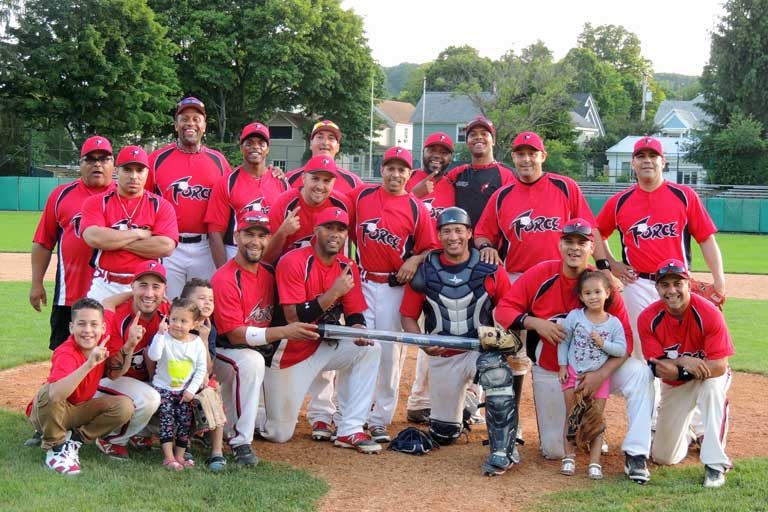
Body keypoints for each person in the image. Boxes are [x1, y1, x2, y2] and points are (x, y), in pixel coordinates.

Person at [494, 218, 655, 484]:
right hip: (553, 369)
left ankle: (636, 453)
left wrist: (601, 374)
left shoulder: (603, 285)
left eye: (582, 242)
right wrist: (534, 323)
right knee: (555, 450)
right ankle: (585, 434)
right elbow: (503, 310)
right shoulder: (541, 274)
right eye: (569, 241)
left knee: (639, 372)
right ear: (559, 244)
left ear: (592, 248)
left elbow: (626, 340)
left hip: (599, 369)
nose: (575, 248)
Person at [474, 130, 602, 444]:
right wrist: (487, 246)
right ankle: (511, 424)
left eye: (532, 153)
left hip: (564, 280)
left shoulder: (564, 186)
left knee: (579, 352)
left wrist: (602, 269)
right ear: (513, 158)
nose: (526, 159)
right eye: (520, 153)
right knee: (510, 351)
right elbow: (481, 233)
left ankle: (587, 424)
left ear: (543, 156)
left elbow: (590, 231)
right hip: (518, 279)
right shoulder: (502, 195)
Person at [400, 207, 519, 476]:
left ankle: (503, 449)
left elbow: (510, 308)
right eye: (446, 231)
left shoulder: (490, 267)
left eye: (458, 230)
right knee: (445, 434)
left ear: (468, 233)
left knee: (497, 373)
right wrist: (423, 343)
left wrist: (504, 340)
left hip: (479, 351)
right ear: (439, 235)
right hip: (444, 355)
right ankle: (464, 407)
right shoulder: (425, 269)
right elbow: (407, 317)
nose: (452, 236)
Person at [262, 207, 382, 453]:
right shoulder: (293, 261)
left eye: (340, 229)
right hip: (290, 354)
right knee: (278, 433)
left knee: (370, 349)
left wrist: (358, 329)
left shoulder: (347, 265)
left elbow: (354, 313)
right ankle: (252, 409)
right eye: (328, 228)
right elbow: (293, 318)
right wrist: (334, 293)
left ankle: (350, 429)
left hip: (322, 346)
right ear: (316, 231)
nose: (335, 234)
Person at [595, 136, 725, 359]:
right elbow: (596, 233)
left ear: (663, 162)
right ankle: (647, 394)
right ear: (633, 163)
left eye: (653, 156)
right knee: (642, 351)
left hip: (678, 284)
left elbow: (706, 239)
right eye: (641, 156)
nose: (647, 161)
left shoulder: (684, 196)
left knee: (685, 346)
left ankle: (679, 392)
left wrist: (719, 280)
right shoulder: (620, 201)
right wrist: (610, 264)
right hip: (638, 284)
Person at [211, 211, 318, 466]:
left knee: (280, 428)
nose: (255, 241)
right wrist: (284, 332)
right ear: (236, 236)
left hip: (253, 352)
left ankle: (229, 422)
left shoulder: (270, 274)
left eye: (261, 236)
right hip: (220, 356)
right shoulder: (225, 278)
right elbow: (234, 334)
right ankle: (241, 442)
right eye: (249, 234)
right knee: (250, 361)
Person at [349, 146, 438, 443]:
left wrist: (414, 259)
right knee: (358, 347)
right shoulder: (361, 197)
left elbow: (430, 247)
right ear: (382, 169)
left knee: (388, 355)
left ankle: (379, 418)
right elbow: (348, 232)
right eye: (391, 168)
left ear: (409, 175)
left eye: (402, 170)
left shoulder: (416, 208)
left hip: (393, 288)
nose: (395, 174)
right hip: (361, 282)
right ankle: (352, 415)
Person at [638, 259, 734, 488]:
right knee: (663, 456)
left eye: (677, 283)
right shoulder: (648, 319)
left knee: (712, 389)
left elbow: (719, 365)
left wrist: (684, 367)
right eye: (665, 285)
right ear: (657, 288)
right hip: (675, 384)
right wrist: (685, 362)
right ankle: (692, 431)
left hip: (709, 375)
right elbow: (661, 369)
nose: (671, 290)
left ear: (688, 284)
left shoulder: (708, 313)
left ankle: (715, 464)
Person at [28, 298, 134, 475]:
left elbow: (116, 374)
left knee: (124, 406)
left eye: (94, 324)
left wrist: (129, 346)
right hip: (49, 412)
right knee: (48, 391)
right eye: (81, 324)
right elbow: (55, 395)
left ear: (103, 327)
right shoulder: (65, 352)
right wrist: (89, 364)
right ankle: (56, 449)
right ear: (71, 327)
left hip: (77, 410)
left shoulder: (101, 341)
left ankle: (74, 440)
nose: (88, 330)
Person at [31, 135, 116, 351]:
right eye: (90, 159)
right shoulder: (61, 195)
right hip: (70, 294)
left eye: (104, 159)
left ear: (113, 164)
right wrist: (36, 283)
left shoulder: (123, 195)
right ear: (80, 164)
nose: (97, 164)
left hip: (113, 294)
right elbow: (43, 242)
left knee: (111, 357)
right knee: (65, 356)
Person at [147, 96, 232, 298]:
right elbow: (144, 202)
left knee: (202, 309)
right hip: (169, 247)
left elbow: (234, 193)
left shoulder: (218, 161)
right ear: (176, 125)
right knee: (169, 308)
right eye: (184, 118)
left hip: (206, 247)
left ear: (204, 125)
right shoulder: (157, 159)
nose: (190, 123)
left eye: (196, 118)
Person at [93, 261, 170, 460]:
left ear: (165, 289)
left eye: (156, 287)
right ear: (132, 286)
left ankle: (140, 432)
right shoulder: (117, 316)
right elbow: (113, 372)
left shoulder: (169, 313)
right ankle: (113, 439)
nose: (149, 293)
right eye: (143, 285)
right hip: (106, 385)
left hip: (142, 381)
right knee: (150, 398)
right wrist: (129, 346)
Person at [81, 146, 178, 302]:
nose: (134, 176)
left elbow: (165, 247)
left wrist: (112, 242)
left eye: (139, 170)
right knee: (92, 324)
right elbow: (94, 238)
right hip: (105, 284)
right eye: (127, 170)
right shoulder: (97, 202)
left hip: (146, 288)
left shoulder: (161, 205)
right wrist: (137, 234)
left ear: (147, 173)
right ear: (117, 171)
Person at [557, 270, 626, 480]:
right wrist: (562, 366)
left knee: (595, 419)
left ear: (607, 293)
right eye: (588, 293)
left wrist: (603, 343)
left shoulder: (613, 323)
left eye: (597, 292)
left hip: (598, 378)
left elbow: (622, 350)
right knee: (572, 415)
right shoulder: (575, 317)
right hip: (573, 374)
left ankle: (594, 462)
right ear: (581, 297)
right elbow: (564, 341)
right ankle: (569, 456)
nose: (593, 297)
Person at [205, 121, 289, 266]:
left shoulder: (281, 182)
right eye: (249, 143)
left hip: (271, 251)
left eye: (261, 143)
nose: (255, 147)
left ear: (268, 149)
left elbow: (288, 228)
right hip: (236, 250)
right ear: (241, 148)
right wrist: (222, 271)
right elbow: (215, 233)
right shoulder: (227, 182)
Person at [147, 298, 208, 470]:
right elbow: (154, 356)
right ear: (168, 319)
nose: (177, 325)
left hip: (184, 392)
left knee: (184, 422)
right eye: (174, 319)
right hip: (164, 389)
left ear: (194, 324)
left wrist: (191, 390)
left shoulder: (197, 343)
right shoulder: (164, 338)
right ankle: (168, 457)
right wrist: (159, 335)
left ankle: (180, 456)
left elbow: (201, 370)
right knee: (167, 420)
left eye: (183, 321)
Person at [264, 155, 355, 263]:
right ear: (303, 178)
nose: (320, 186)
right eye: (315, 178)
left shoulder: (343, 204)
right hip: (290, 273)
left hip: (329, 275)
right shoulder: (284, 203)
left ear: (334, 183)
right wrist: (282, 233)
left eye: (327, 181)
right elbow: (266, 258)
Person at [179, 278, 226, 471]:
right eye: (201, 298)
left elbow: (208, 369)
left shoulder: (209, 329)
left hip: (201, 378)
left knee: (213, 391)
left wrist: (205, 339)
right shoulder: (178, 324)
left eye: (211, 299)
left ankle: (217, 451)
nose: (207, 303)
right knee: (182, 396)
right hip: (178, 377)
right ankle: (184, 445)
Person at [445, 116, 515, 227]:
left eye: (484, 134)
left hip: (492, 243)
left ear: (493, 141)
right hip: (461, 242)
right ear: (467, 142)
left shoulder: (508, 175)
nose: (478, 137)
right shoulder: (456, 174)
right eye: (472, 135)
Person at [285, 120, 363, 193]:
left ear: (338, 147)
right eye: (320, 137)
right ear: (311, 144)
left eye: (331, 138)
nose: (325, 142)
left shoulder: (353, 182)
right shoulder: (289, 179)